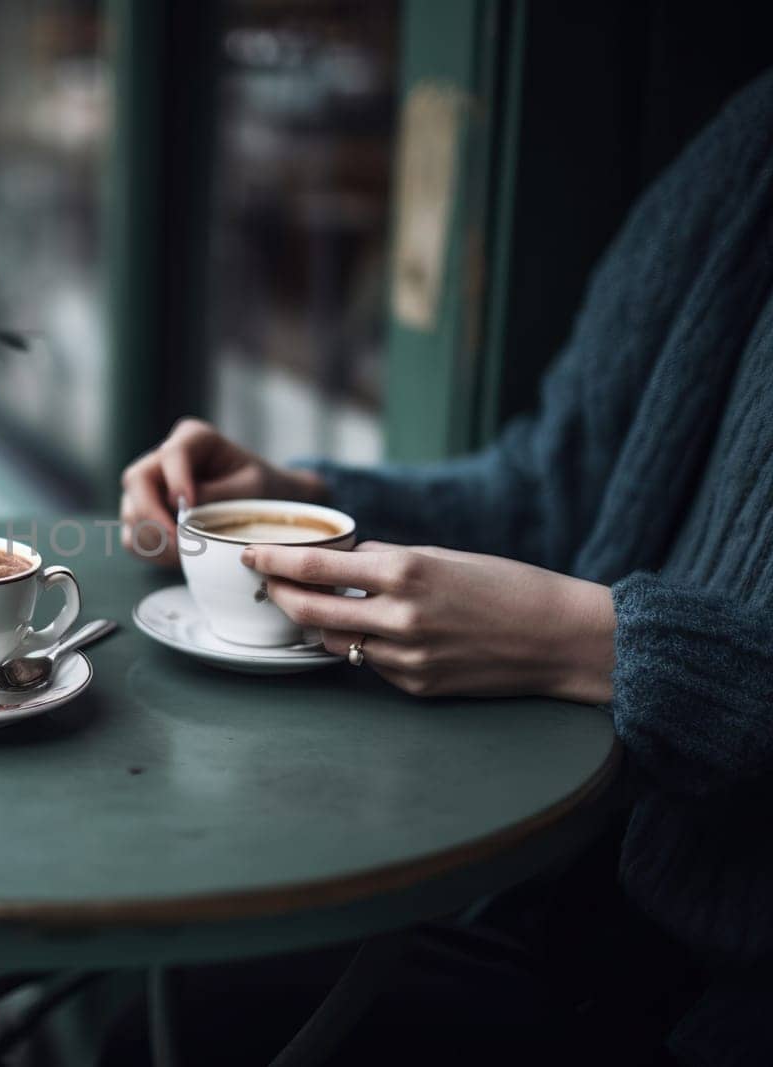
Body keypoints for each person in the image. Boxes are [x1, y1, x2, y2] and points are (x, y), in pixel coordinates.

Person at [110, 71, 773, 1066]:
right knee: (194, 1012)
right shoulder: (752, 139)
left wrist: (595, 643)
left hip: (726, 995)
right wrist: (299, 497)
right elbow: (557, 481)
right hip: (569, 906)